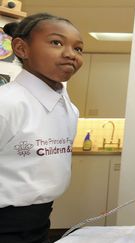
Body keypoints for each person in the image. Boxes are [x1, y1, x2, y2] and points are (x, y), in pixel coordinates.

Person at [0, 13, 83, 242]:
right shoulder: (6, 104)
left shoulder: (70, 110)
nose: (70, 54)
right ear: (21, 48)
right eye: (56, 42)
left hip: (40, 223)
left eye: (78, 49)